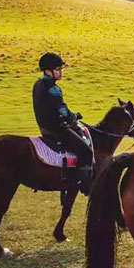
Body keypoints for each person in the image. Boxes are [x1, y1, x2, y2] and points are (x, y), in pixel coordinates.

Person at [32, 52, 94, 194]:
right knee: (86, 151)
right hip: (57, 129)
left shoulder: (38, 84)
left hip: (44, 128)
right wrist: (74, 117)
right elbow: (63, 110)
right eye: (58, 69)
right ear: (48, 71)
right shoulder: (53, 88)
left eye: (61, 68)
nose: (61, 72)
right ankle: (85, 186)